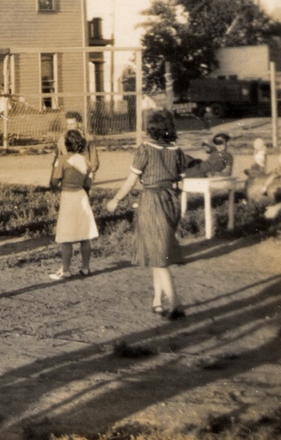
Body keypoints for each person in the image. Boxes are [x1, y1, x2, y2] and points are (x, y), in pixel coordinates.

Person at [105, 110, 188, 320]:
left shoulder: (145, 149)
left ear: (151, 129)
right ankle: (157, 301)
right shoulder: (177, 150)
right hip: (172, 200)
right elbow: (181, 181)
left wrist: (116, 199)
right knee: (157, 251)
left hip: (152, 200)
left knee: (159, 257)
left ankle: (175, 302)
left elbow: (131, 180)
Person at [48, 130, 99, 280]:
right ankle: (85, 268)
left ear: (67, 144)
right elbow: (88, 182)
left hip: (68, 197)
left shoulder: (63, 160)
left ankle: (66, 270)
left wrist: (55, 176)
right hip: (81, 197)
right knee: (85, 234)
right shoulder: (85, 160)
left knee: (66, 236)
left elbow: (54, 181)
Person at [53, 111, 100, 187]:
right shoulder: (62, 139)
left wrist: (92, 171)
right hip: (68, 171)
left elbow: (93, 157)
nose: (69, 126)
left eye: (72, 124)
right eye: (67, 124)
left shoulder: (88, 138)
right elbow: (58, 157)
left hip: (84, 171)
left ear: (79, 124)